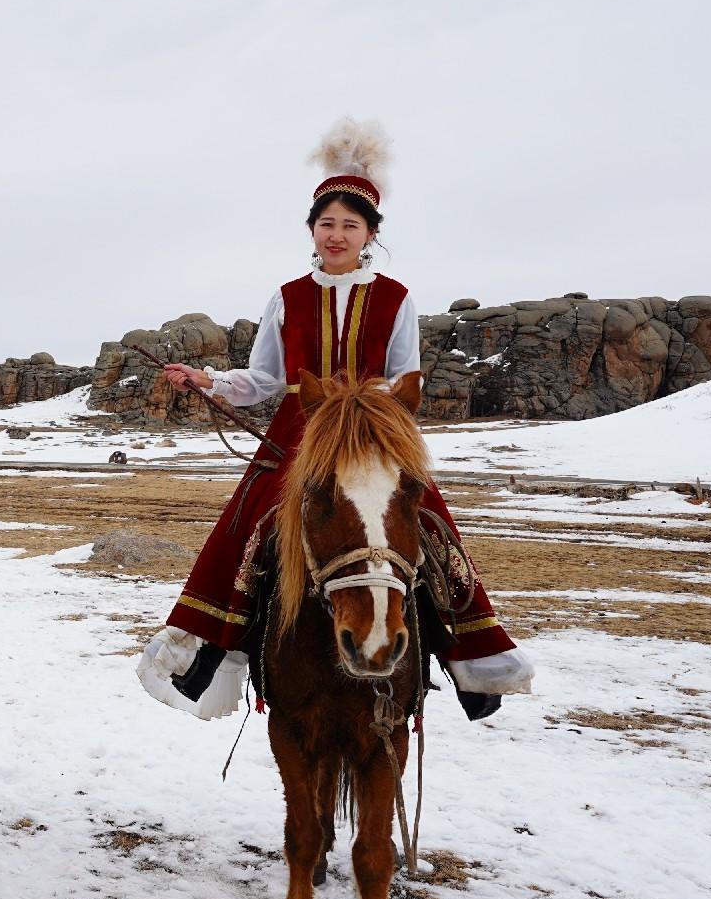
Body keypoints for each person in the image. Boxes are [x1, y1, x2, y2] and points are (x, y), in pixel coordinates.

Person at [136, 119, 535, 719]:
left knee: (424, 521)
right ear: (312, 229)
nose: (337, 234)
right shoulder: (288, 296)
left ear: (371, 233)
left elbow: (405, 376)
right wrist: (208, 380)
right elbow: (265, 380)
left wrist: (371, 408)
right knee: (246, 527)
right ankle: (211, 657)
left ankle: (468, 659)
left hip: (372, 430)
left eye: (351, 224)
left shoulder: (396, 297)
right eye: (327, 223)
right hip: (301, 431)